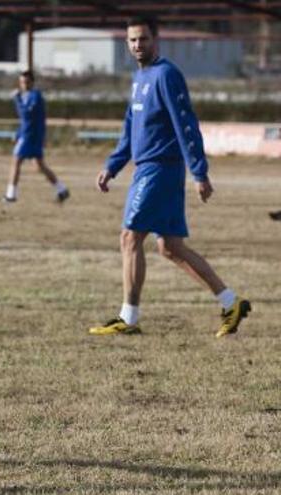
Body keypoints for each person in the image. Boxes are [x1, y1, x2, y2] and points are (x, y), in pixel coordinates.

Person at [90, 17, 250, 338]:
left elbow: (186, 124)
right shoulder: (139, 78)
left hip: (160, 170)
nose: (138, 45)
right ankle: (231, 303)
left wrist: (199, 172)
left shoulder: (166, 75)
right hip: (146, 169)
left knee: (129, 237)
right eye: (133, 40)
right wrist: (113, 165)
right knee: (171, 248)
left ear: (156, 40)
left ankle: (128, 318)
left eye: (144, 39)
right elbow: (129, 130)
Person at [3, 70, 69, 203]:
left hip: (31, 136)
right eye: (22, 82)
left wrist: (17, 99)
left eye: (27, 82)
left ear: (32, 82)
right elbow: (25, 120)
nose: (24, 85)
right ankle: (62, 189)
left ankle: (11, 195)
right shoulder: (27, 96)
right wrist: (18, 134)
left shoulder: (35, 96)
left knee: (16, 162)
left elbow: (27, 114)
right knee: (39, 166)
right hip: (28, 135)